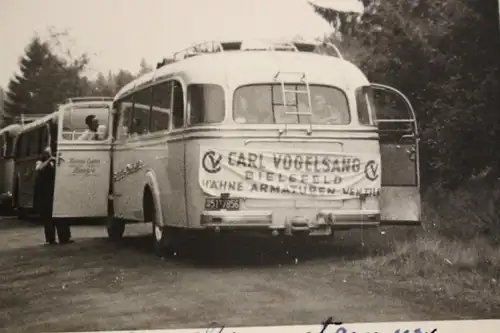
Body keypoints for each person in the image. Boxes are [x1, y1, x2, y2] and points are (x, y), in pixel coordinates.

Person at [34, 147, 73, 245]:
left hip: (55, 193)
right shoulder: (41, 163)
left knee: (60, 216)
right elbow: (39, 169)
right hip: (46, 194)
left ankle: (64, 237)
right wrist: (50, 160)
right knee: (49, 217)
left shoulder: (56, 162)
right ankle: (51, 239)